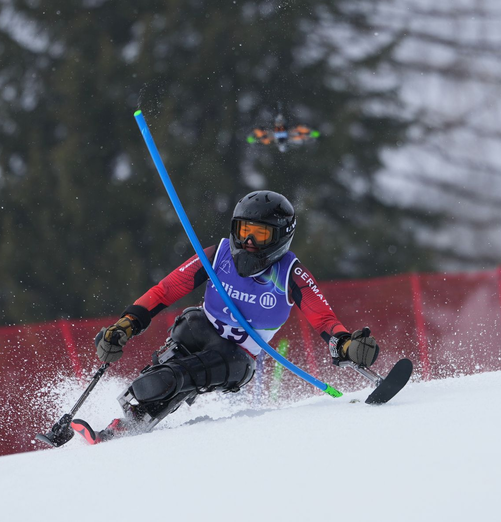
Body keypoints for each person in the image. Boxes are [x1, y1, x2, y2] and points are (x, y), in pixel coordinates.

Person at [70, 190, 379, 444]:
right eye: (244, 232)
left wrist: (347, 344)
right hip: (198, 329)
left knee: (176, 378)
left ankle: (149, 401)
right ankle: (128, 421)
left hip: (237, 358)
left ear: (280, 238)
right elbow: (165, 290)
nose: (248, 244)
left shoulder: (290, 273)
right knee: (173, 356)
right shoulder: (217, 255)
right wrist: (126, 324)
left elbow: (324, 319)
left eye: (260, 236)